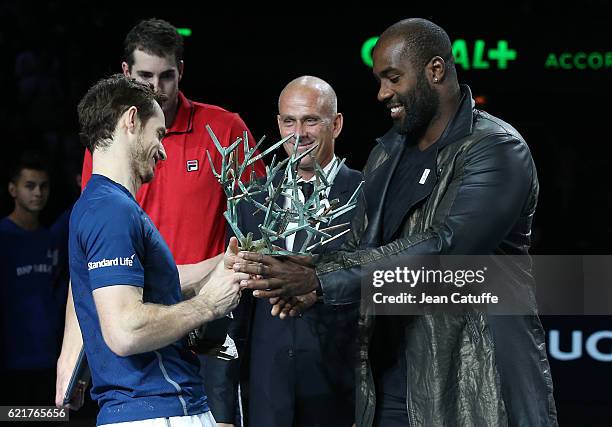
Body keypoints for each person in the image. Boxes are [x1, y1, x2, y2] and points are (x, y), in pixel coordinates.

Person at [233, 18, 558, 426]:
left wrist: (321, 279)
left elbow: (446, 248)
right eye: (379, 80)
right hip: (387, 382)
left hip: (473, 384)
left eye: (392, 78)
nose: (382, 93)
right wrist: (308, 275)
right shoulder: (387, 153)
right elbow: (359, 250)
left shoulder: (496, 149)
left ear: (435, 71)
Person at [56, 18, 266, 417]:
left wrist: (219, 287)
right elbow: (91, 262)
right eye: (145, 76)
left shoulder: (225, 129)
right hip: (148, 328)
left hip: (204, 329)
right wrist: (72, 352)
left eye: (167, 75)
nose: (157, 87)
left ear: (181, 71)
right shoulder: (107, 185)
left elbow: (259, 227)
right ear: (126, 78)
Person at [221, 76, 362, 427]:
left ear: (337, 124)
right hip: (269, 397)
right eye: (289, 121)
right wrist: (222, 408)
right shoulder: (249, 202)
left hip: (345, 395)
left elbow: (384, 281)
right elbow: (231, 314)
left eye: (311, 120)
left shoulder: (367, 195)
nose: (298, 133)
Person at [0, 150, 68, 406]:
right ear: (12, 189)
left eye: (43, 186)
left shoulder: (51, 239)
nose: (38, 192)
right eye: (30, 186)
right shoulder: (3, 237)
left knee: (53, 417)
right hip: (11, 367)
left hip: (51, 363)